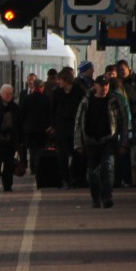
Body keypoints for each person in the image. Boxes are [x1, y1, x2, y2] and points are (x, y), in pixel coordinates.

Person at [74, 75, 127, 208]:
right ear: (95, 86)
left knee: (108, 167)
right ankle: (95, 198)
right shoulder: (86, 101)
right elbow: (78, 123)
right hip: (91, 140)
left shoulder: (114, 101)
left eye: (106, 85)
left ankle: (107, 196)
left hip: (109, 139)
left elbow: (124, 122)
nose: (104, 88)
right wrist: (78, 143)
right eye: (102, 85)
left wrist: (123, 142)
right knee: (93, 171)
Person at [49, 67, 86, 189]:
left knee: (77, 153)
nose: (58, 82)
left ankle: (76, 177)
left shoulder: (79, 91)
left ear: (65, 80)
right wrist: (52, 125)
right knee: (62, 155)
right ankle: (65, 179)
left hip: (75, 127)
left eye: (59, 80)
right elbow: (53, 110)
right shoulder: (57, 92)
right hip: (61, 127)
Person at [20, 75, 51, 178]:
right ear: (42, 88)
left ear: (34, 87)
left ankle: (33, 168)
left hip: (30, 129)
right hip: (43, 129)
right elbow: (49, 114)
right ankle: (40, 167)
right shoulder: (46, 99)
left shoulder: (27, 98)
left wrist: (23, 126)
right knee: (42, 149)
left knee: (32, 149)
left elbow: (22, 114)